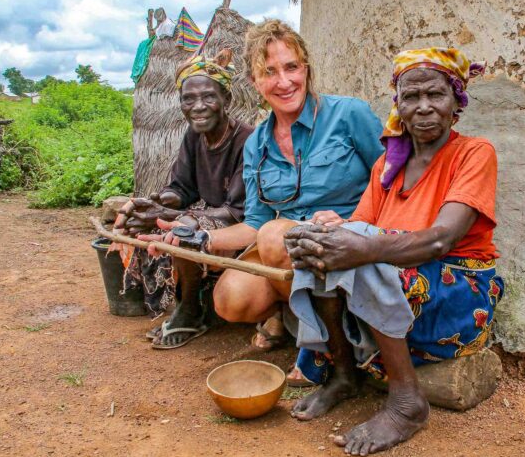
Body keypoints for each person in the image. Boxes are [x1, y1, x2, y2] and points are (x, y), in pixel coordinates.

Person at [282, 47, 505, 456]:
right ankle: (344, 374)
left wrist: (361, 244)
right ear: (397, 104)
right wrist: (319, 234)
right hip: (398, 284)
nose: (423, 107)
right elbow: (359, 229)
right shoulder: (387, 165)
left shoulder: (474, 153)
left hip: (458, 290)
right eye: (411, 97)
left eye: (435, 95)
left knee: (365, 256)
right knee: (319, 250)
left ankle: (407, 402)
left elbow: (442, 240)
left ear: (457, 101)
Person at [156, 19, 384, 360]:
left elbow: (391, 183)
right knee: (230, 300)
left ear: (306, 68)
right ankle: (294, 313)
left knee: (276, 235)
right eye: (269, 72)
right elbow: (253, 223)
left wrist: (356, 219)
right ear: (254, 81)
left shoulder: (349, 114)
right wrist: (199, 239)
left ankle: (325, 353)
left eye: (291, 67)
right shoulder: (257, 143)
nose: (284, 81)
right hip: (293, 249)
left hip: (350, 237)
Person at [114, 49, 254, 349]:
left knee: (183, 230)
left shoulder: (247, 140)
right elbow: (181, 189)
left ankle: (191, 310)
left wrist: (179, 219)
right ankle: (168, 299)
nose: (198, 107)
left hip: (244, 228)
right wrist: (155, 202)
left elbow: (237, 211)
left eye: (208, 97)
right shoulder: (194, 136)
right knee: (139, 217)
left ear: (226, 100)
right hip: (213, 217)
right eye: (188, 99)